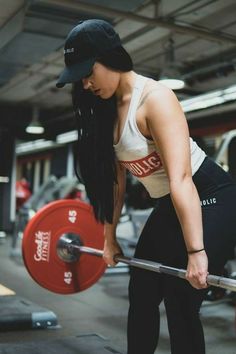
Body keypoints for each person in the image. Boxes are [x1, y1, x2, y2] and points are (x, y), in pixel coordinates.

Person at [56, 19, 236, 354]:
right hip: (171, 202)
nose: (85, 84)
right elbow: (115, 182)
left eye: (88, 71)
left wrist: (197, 254)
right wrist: (108, 238)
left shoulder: (155, 99)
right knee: (141, 291)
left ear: (109, 58)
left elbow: (181, 178)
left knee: (181, 297)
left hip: (211, 195)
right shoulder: (107, 112)